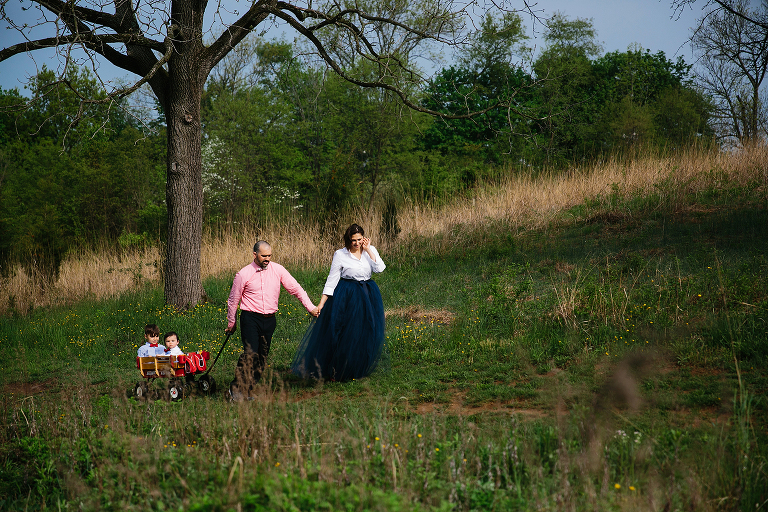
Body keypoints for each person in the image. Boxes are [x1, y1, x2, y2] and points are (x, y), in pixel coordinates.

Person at [291, 223, 386, 382]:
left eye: (359, 239)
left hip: (368, 293)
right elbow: (332, 279)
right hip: (348, 294)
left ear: (364, 238)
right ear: (348, 239)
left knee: (368, 330)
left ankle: (358, 367)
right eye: (353, 240)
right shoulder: (340, 254)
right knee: (347, 332)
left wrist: (368, 249)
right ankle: (339, 369)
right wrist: (321, 303)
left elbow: (380, 268)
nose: (356, 243)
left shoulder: (370, 250)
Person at [226, 240, 318, 399]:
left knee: (262, 358)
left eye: (269, 255)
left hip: (269, 320)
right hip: (250, 318)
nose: (267, 259)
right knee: (250, 353)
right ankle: (236, 389)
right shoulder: (243, 274)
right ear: (255, 255)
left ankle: (248, 389)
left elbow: (296, 289)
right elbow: (233, 300)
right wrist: (231, 323)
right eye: (263, 256)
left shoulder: (278, 270)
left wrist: (310, 308)